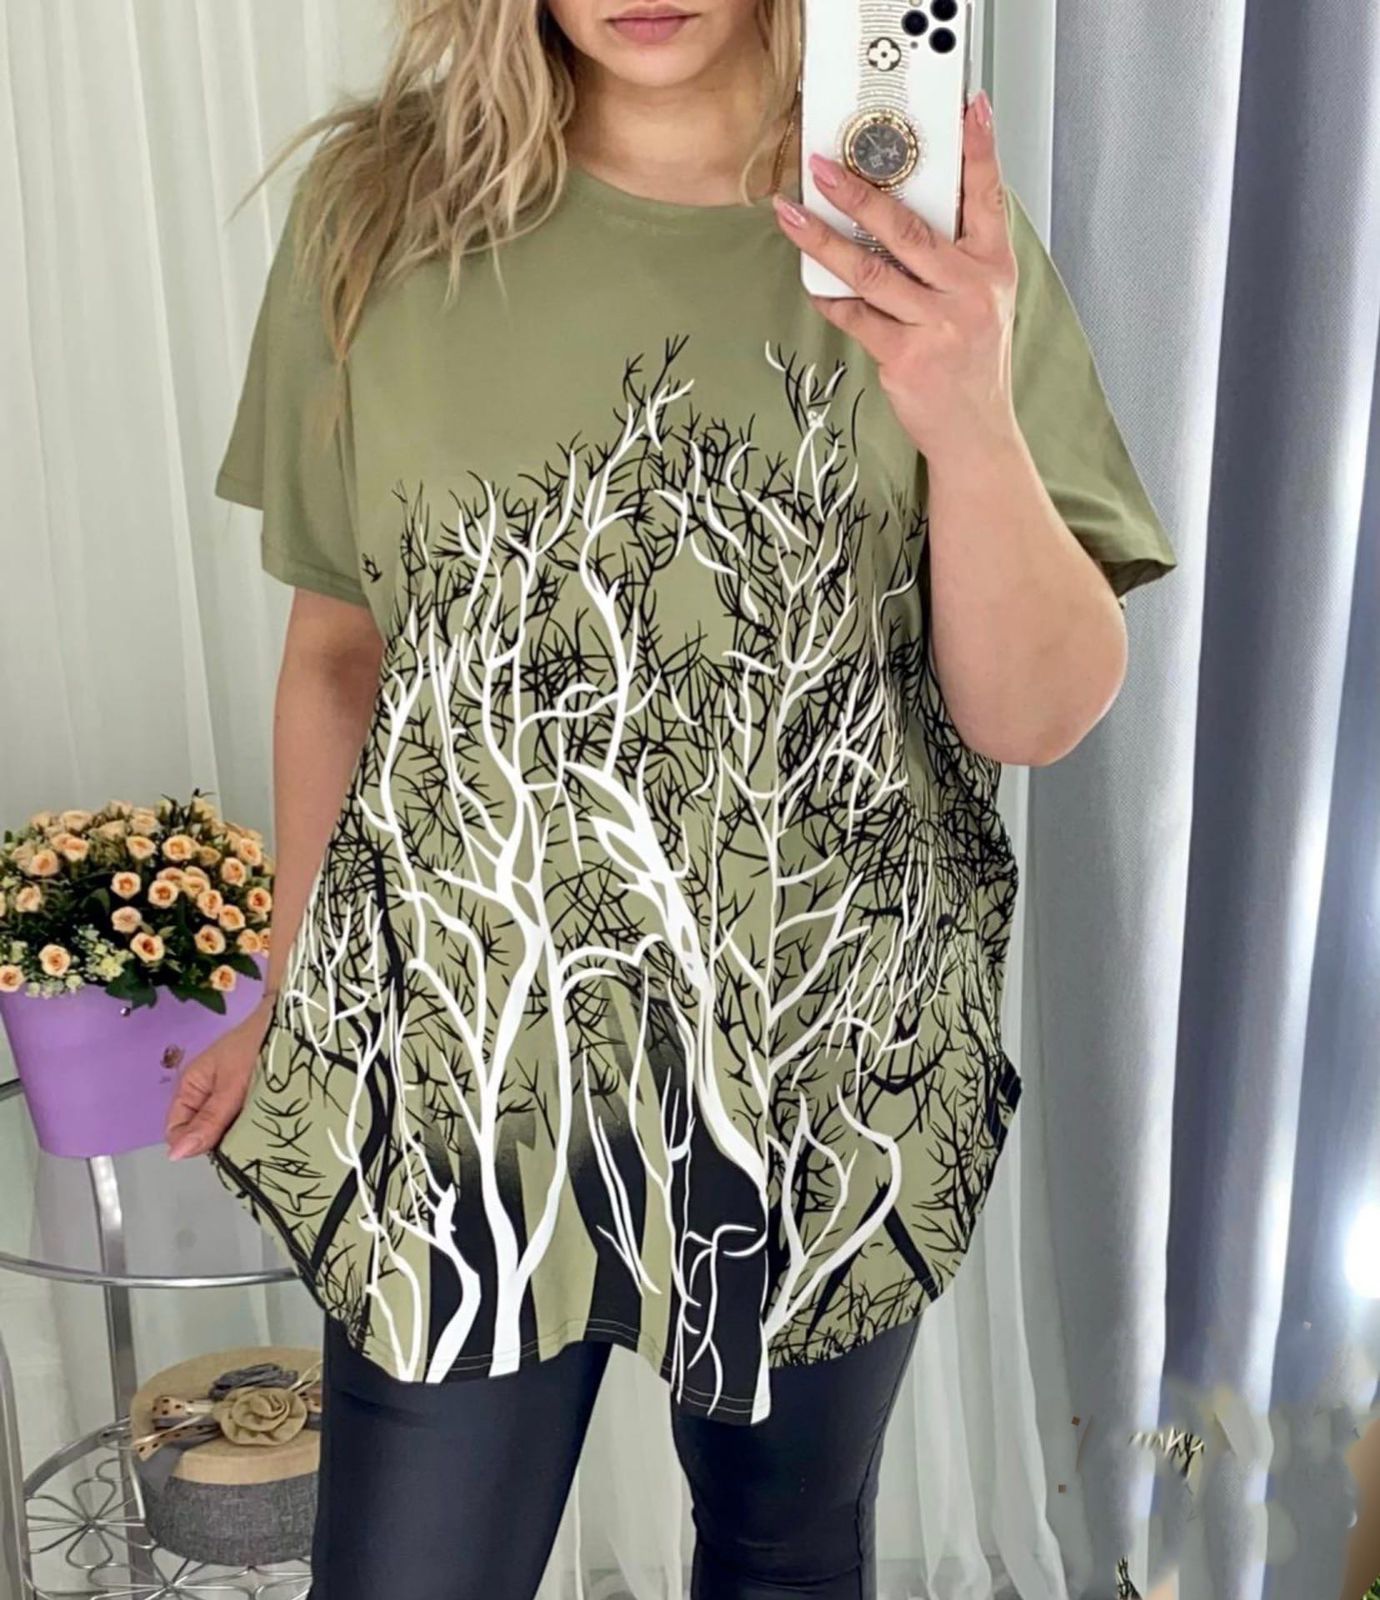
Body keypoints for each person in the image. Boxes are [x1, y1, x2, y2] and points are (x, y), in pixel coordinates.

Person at [165, 0, 1178, 1594]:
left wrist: (970, 414)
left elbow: (1036, 715)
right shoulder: (378, 213)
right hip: (467, 1065)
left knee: (784, 1558)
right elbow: (342, 655)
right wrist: (295, 993)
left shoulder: (914, 224)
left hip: (822, 1058)